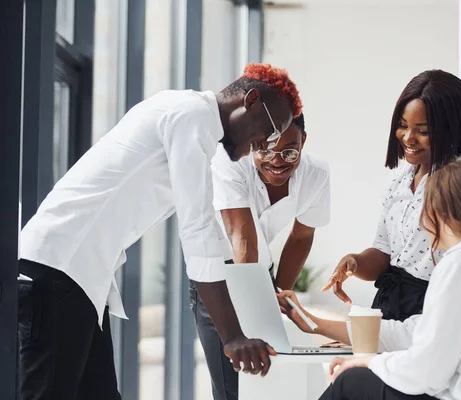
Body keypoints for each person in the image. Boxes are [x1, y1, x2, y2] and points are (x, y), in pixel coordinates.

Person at [17, 63, 302, 400]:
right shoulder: (191, 117)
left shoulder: (189, 120)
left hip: (77, 278)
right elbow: (197, 230)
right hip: (58, 270)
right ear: (251, 101)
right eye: (270, 130)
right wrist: (232, 337)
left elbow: (206, 224)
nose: (266, 143)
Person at [279, 159, 461, 400]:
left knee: (350, 384)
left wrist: (369, 365)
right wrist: (316, 326)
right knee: (358, 377)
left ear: (439, 212)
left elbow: (428, 371)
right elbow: (411, 334)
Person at [322, 69, 461, 322]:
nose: (408, 138)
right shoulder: (400, 179)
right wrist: (354, 262)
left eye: (422, 130)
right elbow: (385, 253)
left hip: (435, 307)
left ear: (451, 128)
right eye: (402, 126)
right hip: (392, 306)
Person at [191, 112, 330, 400]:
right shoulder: (229, 161)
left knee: (266, 384)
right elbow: (243, 237)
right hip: (220, 278)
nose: (276, 160)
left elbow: (301, 236)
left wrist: (277, 294)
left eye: (289, 151)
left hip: (258, 272)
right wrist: (255, 312)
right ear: (253, 143)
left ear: (303, 141)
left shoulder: (316, 174)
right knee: (234, 387)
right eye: (264, 149)